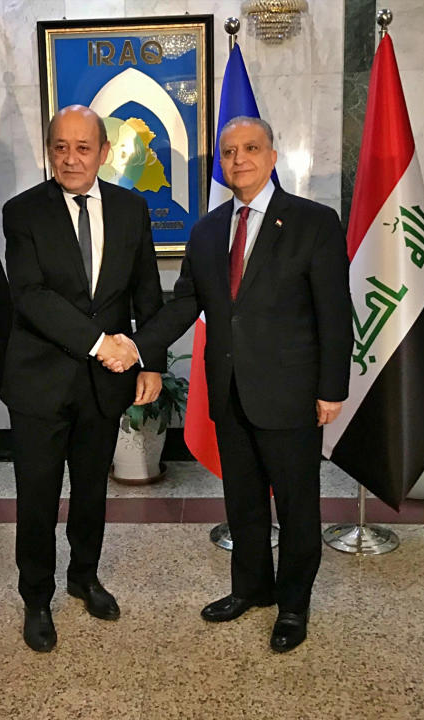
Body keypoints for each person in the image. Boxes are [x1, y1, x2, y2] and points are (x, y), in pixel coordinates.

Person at [106, 116, 353, 652]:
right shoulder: (209, 229)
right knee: (242, 501)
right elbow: (185, 305)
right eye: (229, 151)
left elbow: (335, 312)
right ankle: (251, 590)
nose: (239, 159)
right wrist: (134, 345)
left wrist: (333, 388)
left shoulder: (314, 222)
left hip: (290, 392)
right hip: (229, 390)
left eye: (250, 148)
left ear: (272, 155)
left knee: (296, 505)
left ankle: (292, 605)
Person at [1, 105, 163, 653]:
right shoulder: (22, 212)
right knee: (38, 498)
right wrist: (103, 344)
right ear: (49, 151)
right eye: (60, 147)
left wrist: (152, 361)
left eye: (83, 147)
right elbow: (32, 295)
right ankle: (36, 597)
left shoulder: (131, 208)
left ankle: (84, 576)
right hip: (38, 384)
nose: (71, 158)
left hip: (105, 385)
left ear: (104, 151)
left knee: (92, 491)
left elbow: (145, 292)